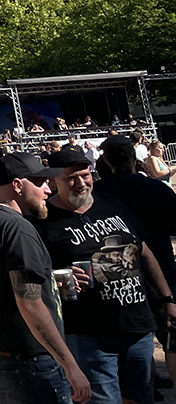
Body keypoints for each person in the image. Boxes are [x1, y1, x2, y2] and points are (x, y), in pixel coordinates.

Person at [35, 143, 176, 404]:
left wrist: (167, 300)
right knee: (103, 401)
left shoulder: (111, 203)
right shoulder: (42, 220)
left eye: (85, 175)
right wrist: (56, 277)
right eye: (71, 178)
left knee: (141, 396)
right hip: (88, 331)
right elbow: (33, 276)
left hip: (137, 325)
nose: (80, 183)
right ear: (53, 182)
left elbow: (144, 252)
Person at [0, 152, 91, 404]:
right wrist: (69, 364)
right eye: (40, 183)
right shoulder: (18, 228)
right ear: (18, 186)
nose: (47, 190)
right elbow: (29, 302)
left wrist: (49, 279)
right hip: (29, 354)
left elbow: (2, 278)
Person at [94, 134, 176, 391]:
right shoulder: (155, 188)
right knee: (172, 335)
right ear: (134, 158)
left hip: (118, 276)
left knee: (134, 338)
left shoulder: (98, 193)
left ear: (105, 159)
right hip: (161, 268)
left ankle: (146, 387)